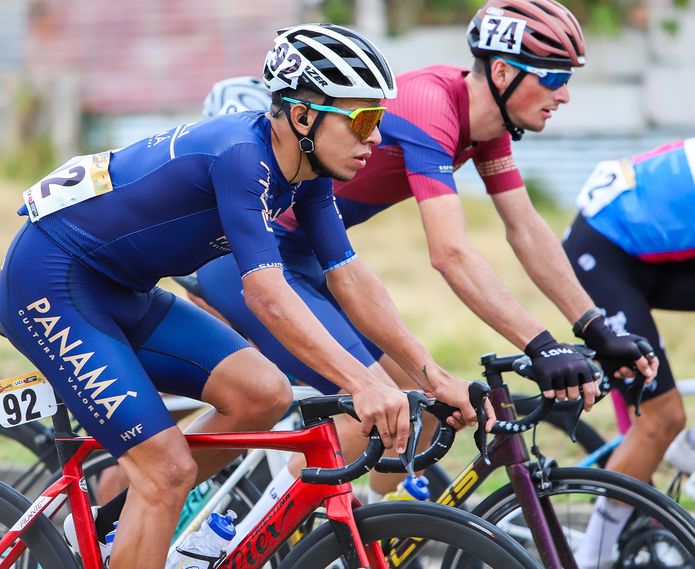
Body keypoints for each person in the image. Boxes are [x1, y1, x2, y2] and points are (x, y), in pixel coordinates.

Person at [0, 23, 489, 569]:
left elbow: (348, 276)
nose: (376, 136)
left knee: (263, 394)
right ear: (303, 115)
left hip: (122, 290)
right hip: (51, 283)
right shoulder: (241, 155)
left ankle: (120, 525)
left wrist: (431, 376)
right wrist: (362, 384)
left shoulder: (307, 172)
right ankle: (146, 507)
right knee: (167, 471)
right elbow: (267, 294)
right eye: (364, 119)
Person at [192, 0, 658, 503]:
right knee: (364, 410)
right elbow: (450, 254)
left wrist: (593, 327)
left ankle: (373, 529)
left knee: (427, 411)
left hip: (314, 261)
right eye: (552, 78)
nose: (564, 95)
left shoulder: (485, 129)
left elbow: (526, 228)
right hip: (250, 260)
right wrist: (540, 344)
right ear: (501, 71)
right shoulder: (431, 106)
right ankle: (263, 543)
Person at [563, 137, 695, 567]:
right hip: (602, 252)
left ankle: (685, 447)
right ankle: (592, 557)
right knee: (663, 418)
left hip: (649, 253)